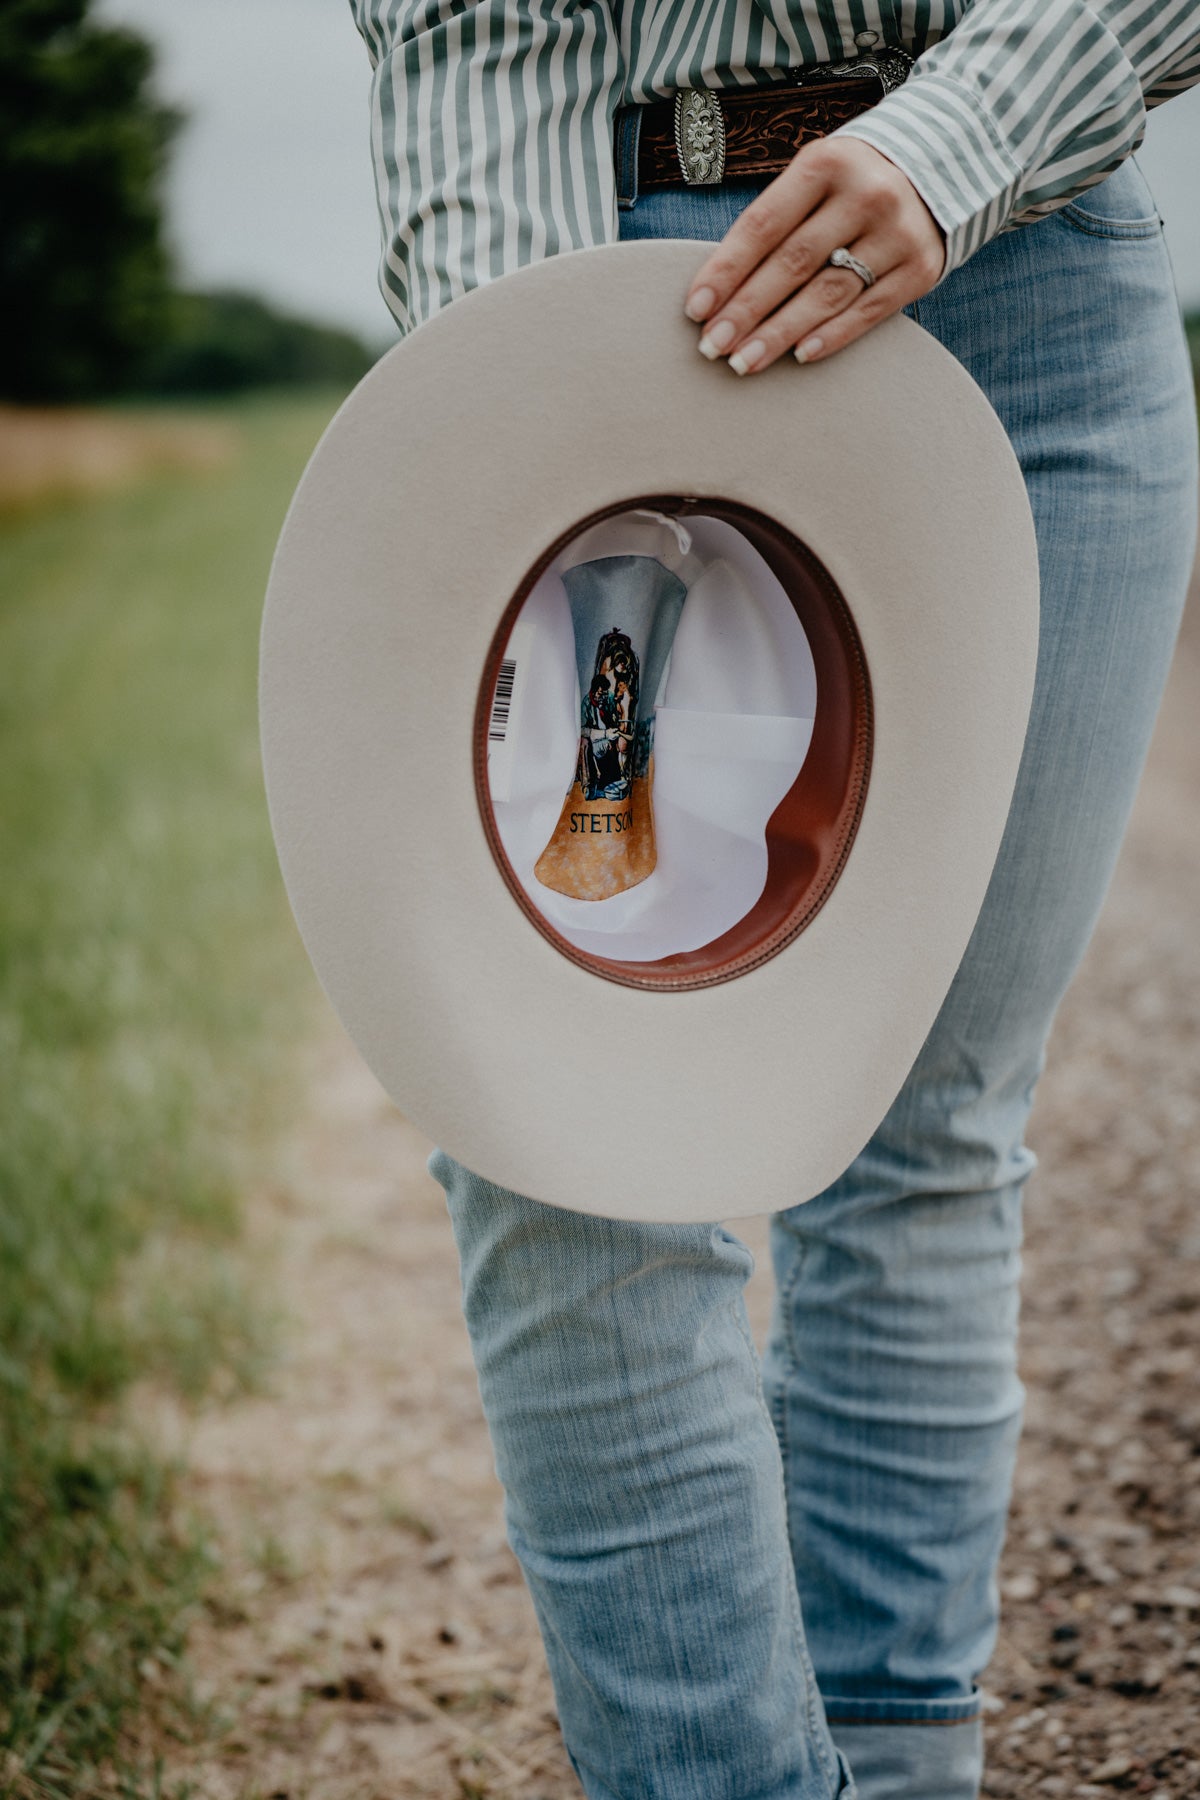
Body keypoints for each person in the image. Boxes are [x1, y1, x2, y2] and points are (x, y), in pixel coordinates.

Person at [348, 6, 1200, 1797]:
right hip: (630, 272)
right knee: (564, 1138)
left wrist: (958, 142)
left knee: (931, 1123)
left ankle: (900, 1771)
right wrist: (530, 392)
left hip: (1046, 282)